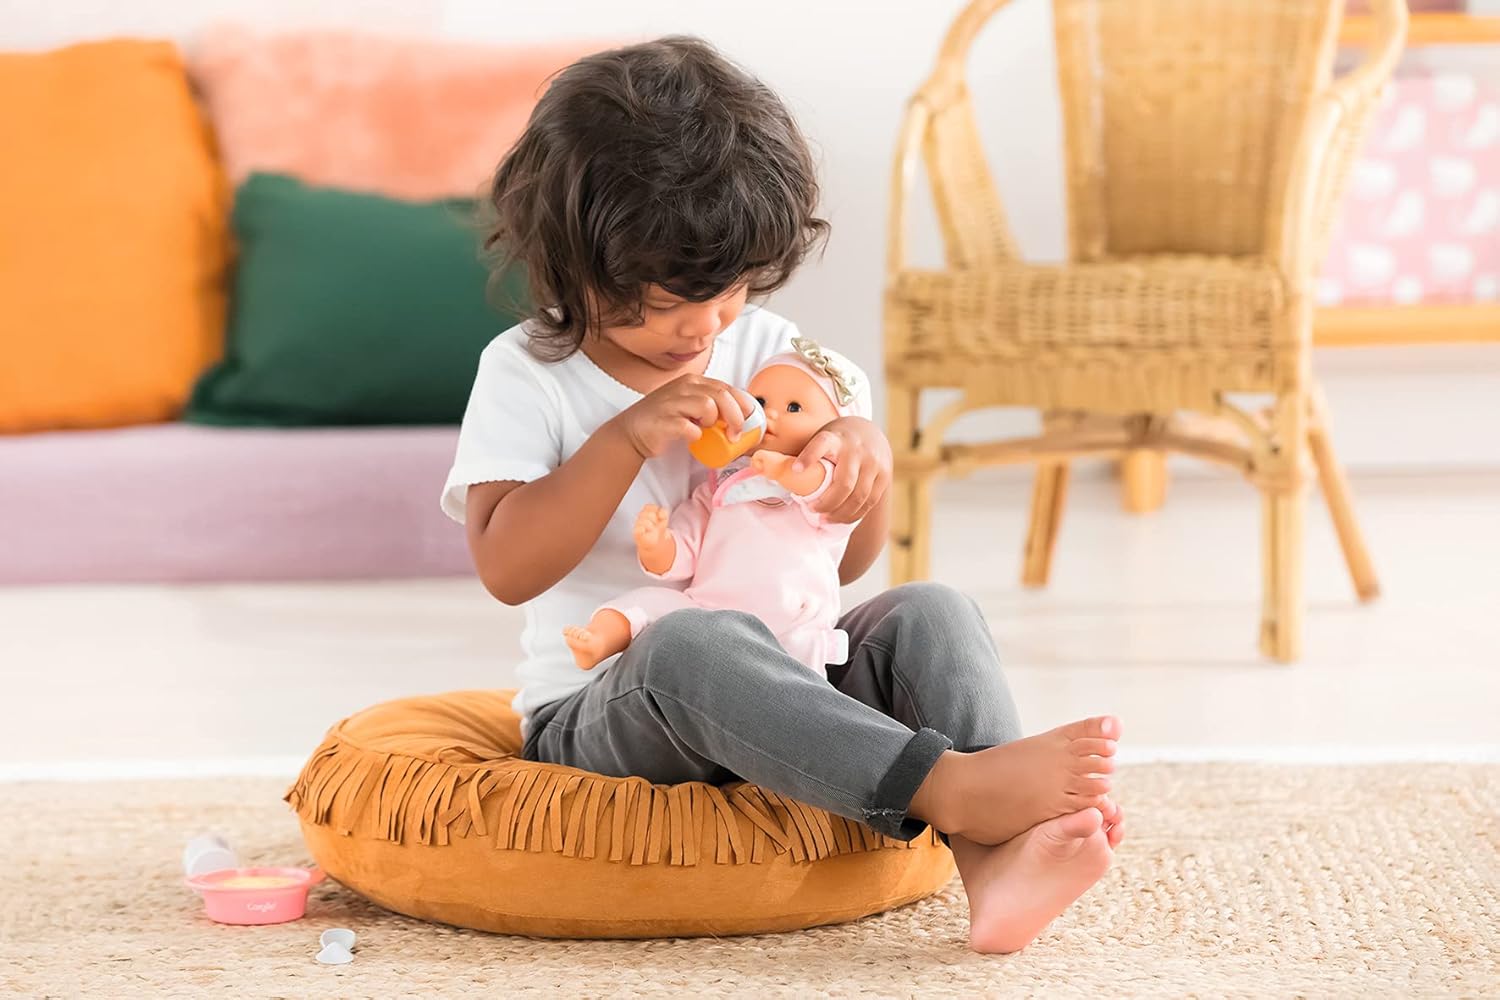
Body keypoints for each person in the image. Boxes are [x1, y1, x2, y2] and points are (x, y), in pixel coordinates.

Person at [442, 36, 1123, 953]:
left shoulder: (774, 353)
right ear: (573, 264)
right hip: (614, 712)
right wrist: (626, 437)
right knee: (697, 642)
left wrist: (860, 462)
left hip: (799, 686)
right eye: (660, 301)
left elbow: (844, 559)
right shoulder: (529, 372)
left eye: (724, 291)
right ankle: (951, 787)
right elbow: (507, 567)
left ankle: (998, 865)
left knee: (932, 611)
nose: (703, 327)